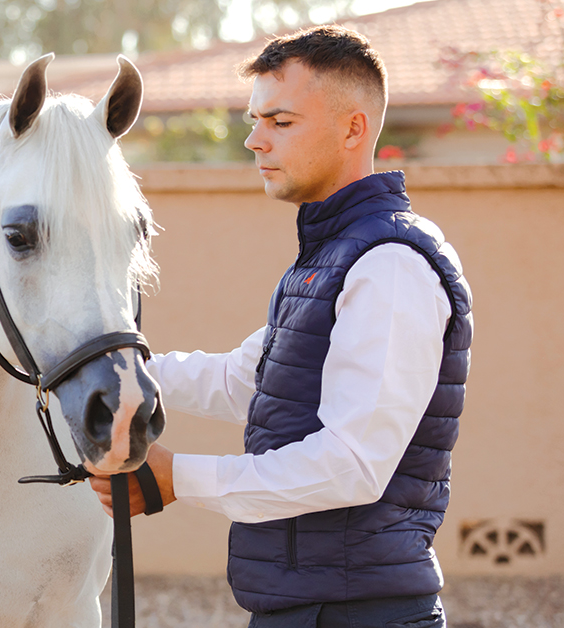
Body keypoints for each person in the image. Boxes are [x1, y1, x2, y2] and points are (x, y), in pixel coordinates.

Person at [87, 25, 471, 628]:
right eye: (254, 119)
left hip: (361, 614)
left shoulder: (390, 264)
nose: (254, 140)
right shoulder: (329, 258)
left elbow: (352, 463)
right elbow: (242, 381)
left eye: (280, 122)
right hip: (301, 607)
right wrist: (106, 371)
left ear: (353, 129)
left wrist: (175, 476)